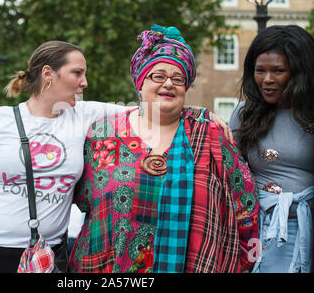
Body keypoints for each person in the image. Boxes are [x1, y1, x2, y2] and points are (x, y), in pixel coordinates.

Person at [0, 39, 231, 274]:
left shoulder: (87, 115)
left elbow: (152, 105)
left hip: (48, 255)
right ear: (49, 74)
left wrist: (204, 115)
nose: (85, 82)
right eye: (77, 73)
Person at [69, 25, 259, 273]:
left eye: (178, 78)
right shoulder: (104, 135)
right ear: (140, 82)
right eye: (158, 76)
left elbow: (245, 205)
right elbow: (77, 197)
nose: (168, 83)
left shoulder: (210, 133)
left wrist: (247, 263)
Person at [229, 25, 314, 273]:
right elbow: (233, 173)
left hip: (306, 228)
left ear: (300, 73)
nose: (267, 80)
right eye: (260, 71)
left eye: (278, 71)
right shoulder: (245, 114)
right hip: (258, 232)